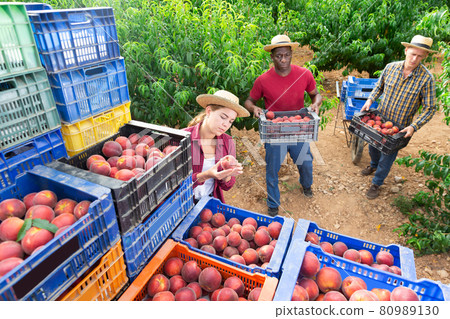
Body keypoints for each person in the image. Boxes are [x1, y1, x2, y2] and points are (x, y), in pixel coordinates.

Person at [244, 34, 323, 216]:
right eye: (279, 56)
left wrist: (315, 104)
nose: (283, 59)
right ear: (272, 57)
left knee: (306, 162)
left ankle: (306, 185)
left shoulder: (304, 74)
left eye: (287, 55)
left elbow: (315, 94)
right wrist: (254, 108)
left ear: (291, 54)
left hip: (298, 128)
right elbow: (249, 101)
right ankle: (273, 203)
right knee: (272, 168)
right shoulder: (263, 80)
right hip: (274, 130)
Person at [360, 35, 437, 199]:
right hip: (380, 121)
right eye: (412, 54)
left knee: (387, 157)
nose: (414, 59)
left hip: (399, 129)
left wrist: (413, 126)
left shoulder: (426, 79)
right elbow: (378, 87)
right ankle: (373, 165)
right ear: (406, 50)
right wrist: (370, 100)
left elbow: (430, 108)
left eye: (420, 56)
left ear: (425, 57)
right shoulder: (390, 68)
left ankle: (376, 183)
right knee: (373, 147)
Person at [184, 90, 250, 203]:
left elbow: (226, 186)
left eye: (230, 121)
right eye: (223, 117)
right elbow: (174, 185)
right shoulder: (183, 138)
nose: (226, 125)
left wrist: (227, 175)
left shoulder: (227, 142)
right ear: (208, 111)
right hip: (182, 205)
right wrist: (205, 175)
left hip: (209, 202)